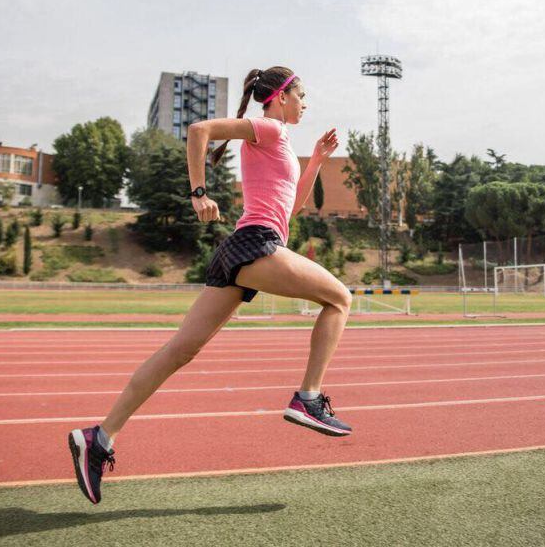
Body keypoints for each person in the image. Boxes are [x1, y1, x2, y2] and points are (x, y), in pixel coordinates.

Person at [68, 66, 352, 504]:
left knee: (180, 350)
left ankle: (99, 437)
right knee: (341, 298)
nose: (306, 103)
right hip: (256, 245)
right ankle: (307, 398)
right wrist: (198, 192)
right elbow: (199, 129)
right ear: (279, 96)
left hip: (242, 248)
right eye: (302, 95)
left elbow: (291, 209)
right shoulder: (269, 127)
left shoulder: (278, 140)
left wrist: (315, 160)